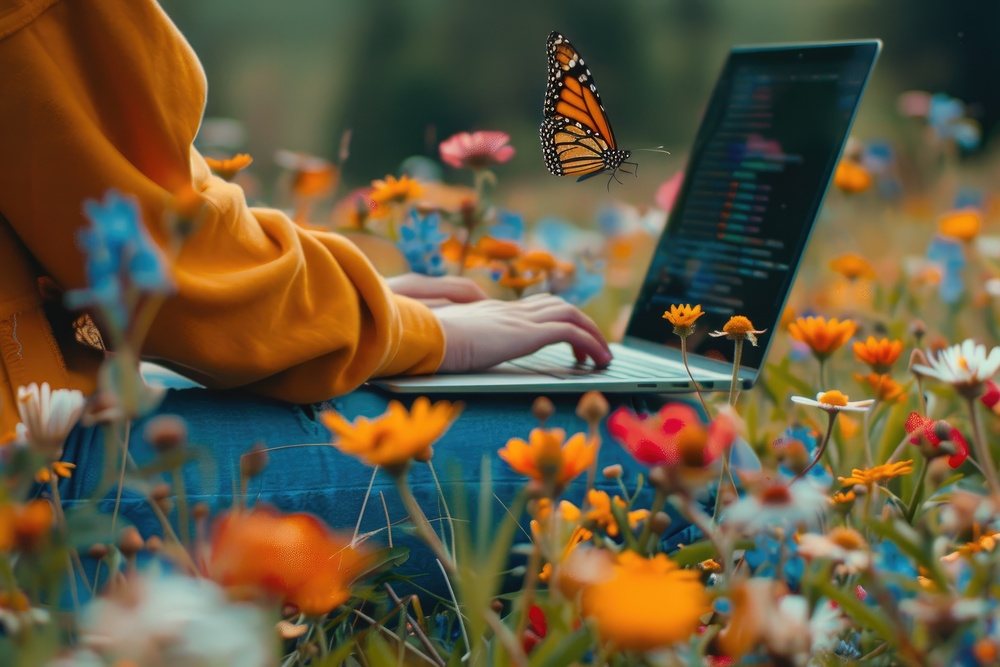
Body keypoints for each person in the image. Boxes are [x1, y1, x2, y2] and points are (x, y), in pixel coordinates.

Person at [1, 0, 686, 582]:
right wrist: (413, 329)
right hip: (31, 489)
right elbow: (172, 258)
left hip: (39, 433)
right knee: (685, 453)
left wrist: (366, 304)